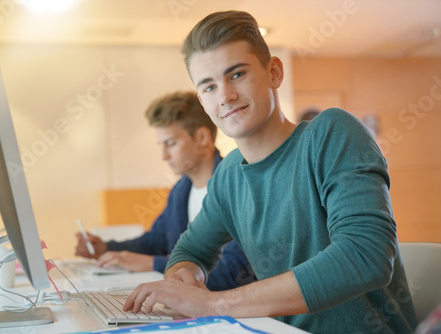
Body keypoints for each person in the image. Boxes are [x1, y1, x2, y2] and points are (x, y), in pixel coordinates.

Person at [122, 10, 418, 334]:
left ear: (274, 72)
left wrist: (213, 305)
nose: (225, 96)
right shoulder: (229, 175)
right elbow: (190, 251)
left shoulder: (331, 134)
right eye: (208, 87)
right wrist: (184, 278)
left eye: (236, 74)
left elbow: (365, 256)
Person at [75, 91, 255, 291]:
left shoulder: (238, 186)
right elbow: (156, 240)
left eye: (171, 144)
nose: (164, 156)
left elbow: (231, 273)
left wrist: (151, 264)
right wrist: (106, 248)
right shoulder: (180, 191)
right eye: (161, 145)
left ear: (202, 137)